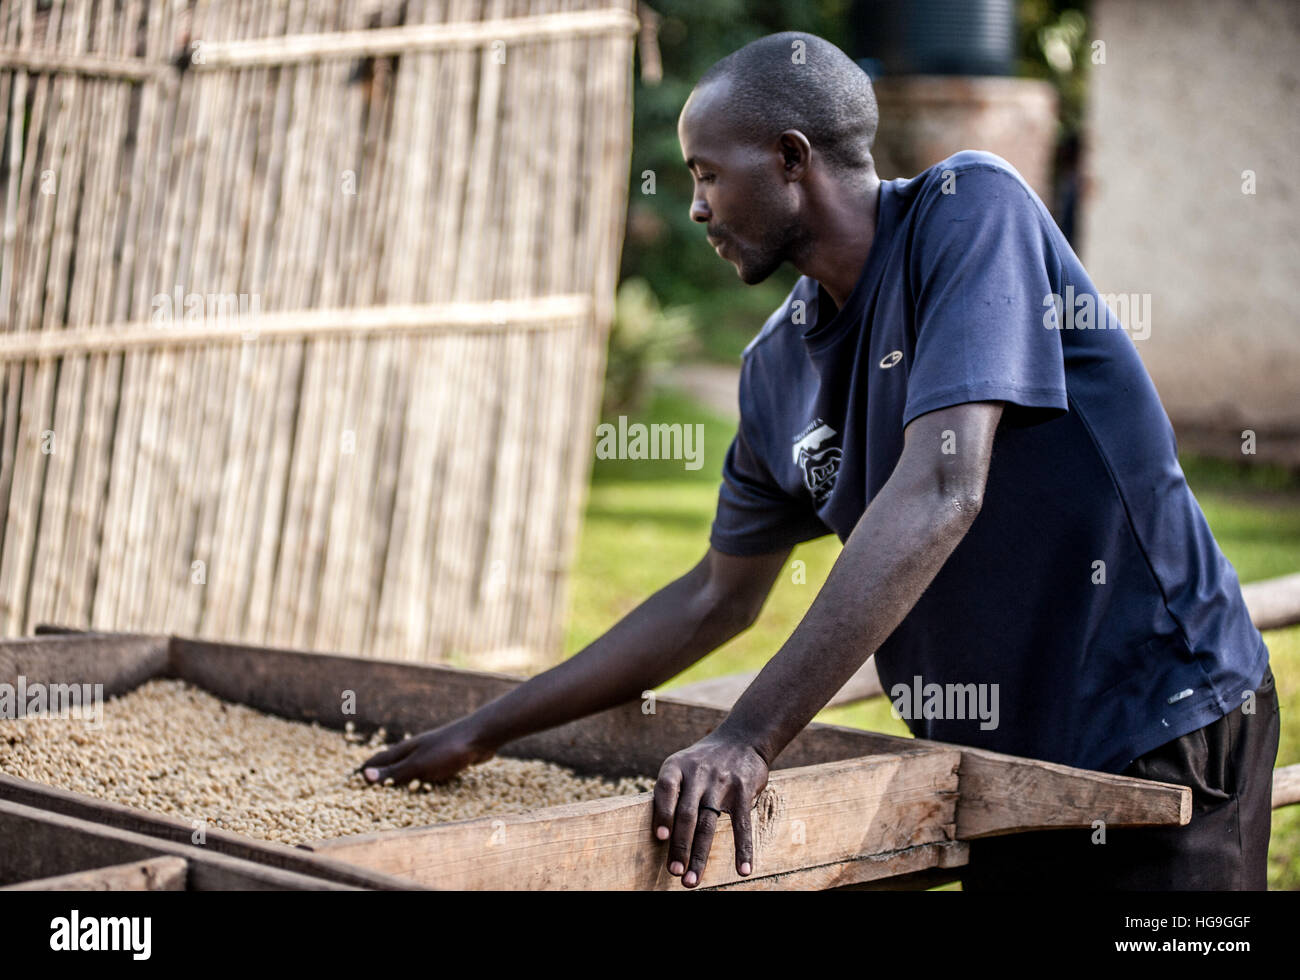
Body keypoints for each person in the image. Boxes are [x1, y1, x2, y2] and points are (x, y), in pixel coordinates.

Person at [361, 32, 1278, 890]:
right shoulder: (775, 370)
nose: (696, 206)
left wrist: (750, 738)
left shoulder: (969, 212)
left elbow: (944, 487)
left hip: (1162, 716)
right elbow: (712, 598)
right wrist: (485, 730)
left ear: (792, 160)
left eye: (709, 174)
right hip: (1005, 764)